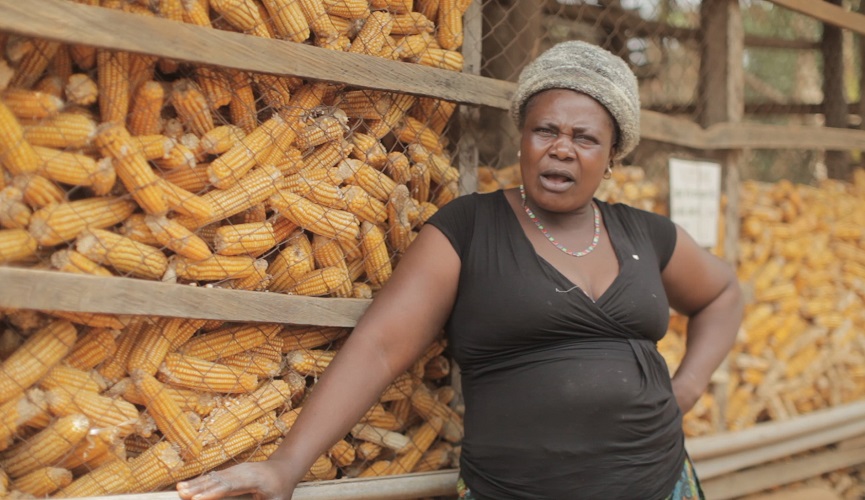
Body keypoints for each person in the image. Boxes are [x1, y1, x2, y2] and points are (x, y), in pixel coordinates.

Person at [176, 40, 743, 500]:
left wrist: (688, 387)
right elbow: (381, 347)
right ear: (522, 138)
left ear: (613, 154)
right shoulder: (471, 228)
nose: (561, 149)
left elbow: (723, 294)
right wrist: (286, 465)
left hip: (659, 484)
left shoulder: (644, 234)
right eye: (545, 130)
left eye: (585, 138)